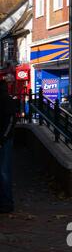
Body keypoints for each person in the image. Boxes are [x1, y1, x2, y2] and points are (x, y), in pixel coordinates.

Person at [0, 80, 17, 213]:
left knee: (4, 172)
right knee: (4, 172)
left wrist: (4, 138)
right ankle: (5, 202)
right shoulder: (8, 100)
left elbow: (11, 120)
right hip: (5, 139)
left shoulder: (6, 100)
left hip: (5, 140)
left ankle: (7, 203)